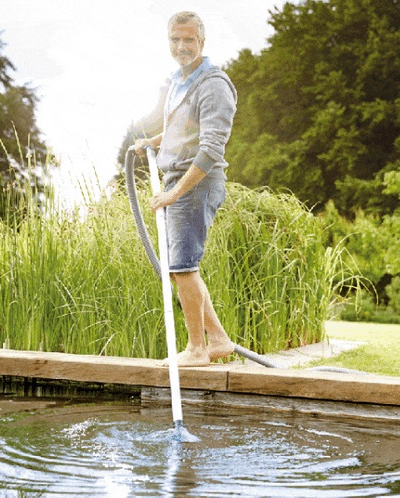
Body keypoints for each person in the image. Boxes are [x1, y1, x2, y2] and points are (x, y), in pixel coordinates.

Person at [133, 11, 237, 367]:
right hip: (177, 181)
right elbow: (183, 129)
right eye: (175, 40)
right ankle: (219, 339)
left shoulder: (213, 85)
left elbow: (210, 149)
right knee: (181, 268)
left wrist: (175, 193)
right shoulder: (180, 80)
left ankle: (197, 349)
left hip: (196, 185)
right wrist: (154, 140)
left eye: (188, 40)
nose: (181, 46)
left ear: (202, 42)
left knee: (183, 267)